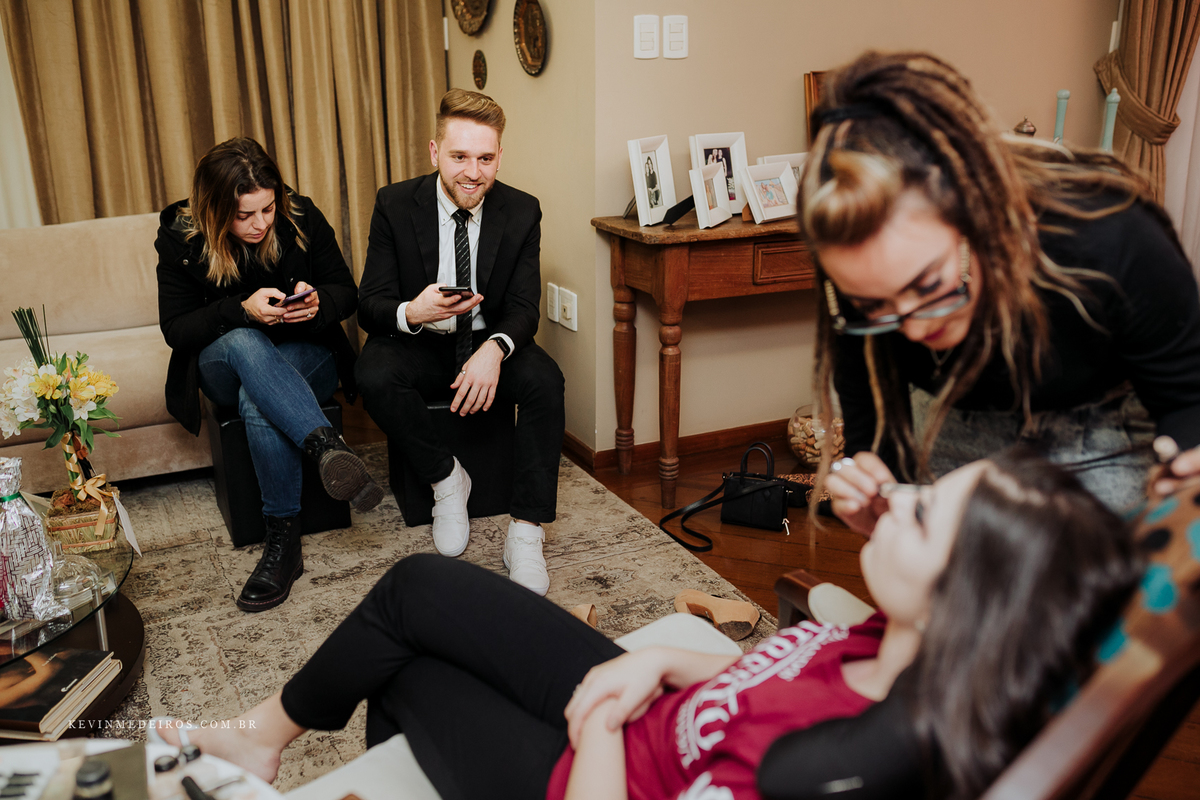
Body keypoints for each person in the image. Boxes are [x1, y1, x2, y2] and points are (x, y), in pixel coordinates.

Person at [149, 448, 1140, 800]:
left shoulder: (835, 764)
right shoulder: (893, 640)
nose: (898, 494)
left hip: (599, 768)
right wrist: (661, 657)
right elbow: (756, 687)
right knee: (415, 589)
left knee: (404, 669)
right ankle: (264, 735)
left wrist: (596, 731)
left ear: (968, 604)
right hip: (645, 705)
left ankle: (287, 746)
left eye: (922, 513)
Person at [800, 51, 1200, 531]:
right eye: (874, 306)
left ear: (979, 212)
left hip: (1105, 431)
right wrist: (876, 491)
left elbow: (1188, 398)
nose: (914, 328)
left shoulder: (1110, 237)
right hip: (954, 418)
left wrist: (1185, 472)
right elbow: (871, 411)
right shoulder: (854, 268)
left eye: (929, 285)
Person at [156, 137, 384, 613]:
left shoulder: (300, 215)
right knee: (246, 343)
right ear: (215, 210)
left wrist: (318, 304)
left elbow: (346, 291)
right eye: (244, 215)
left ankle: (284, 545)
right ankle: (326, 446)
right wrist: (241, 310)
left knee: (256, 400)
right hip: (225, 361)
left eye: (267, 209)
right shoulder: (181, 235)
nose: (260, 223)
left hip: (305, 354)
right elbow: (176, 329)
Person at [355, 89, 565, 595]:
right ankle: (447, 479)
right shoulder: (393, 203)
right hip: (420, 342)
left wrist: (494, 350)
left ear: (500, 156)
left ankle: (526, 531)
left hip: (486, 341)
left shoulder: (523, 211)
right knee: (372, 374)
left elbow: (524, 308)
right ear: (435, 152)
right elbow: (369, 304)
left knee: (545, 380)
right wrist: (414, 311)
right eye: (459, 157)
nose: (473, 173)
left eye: (485, 159)